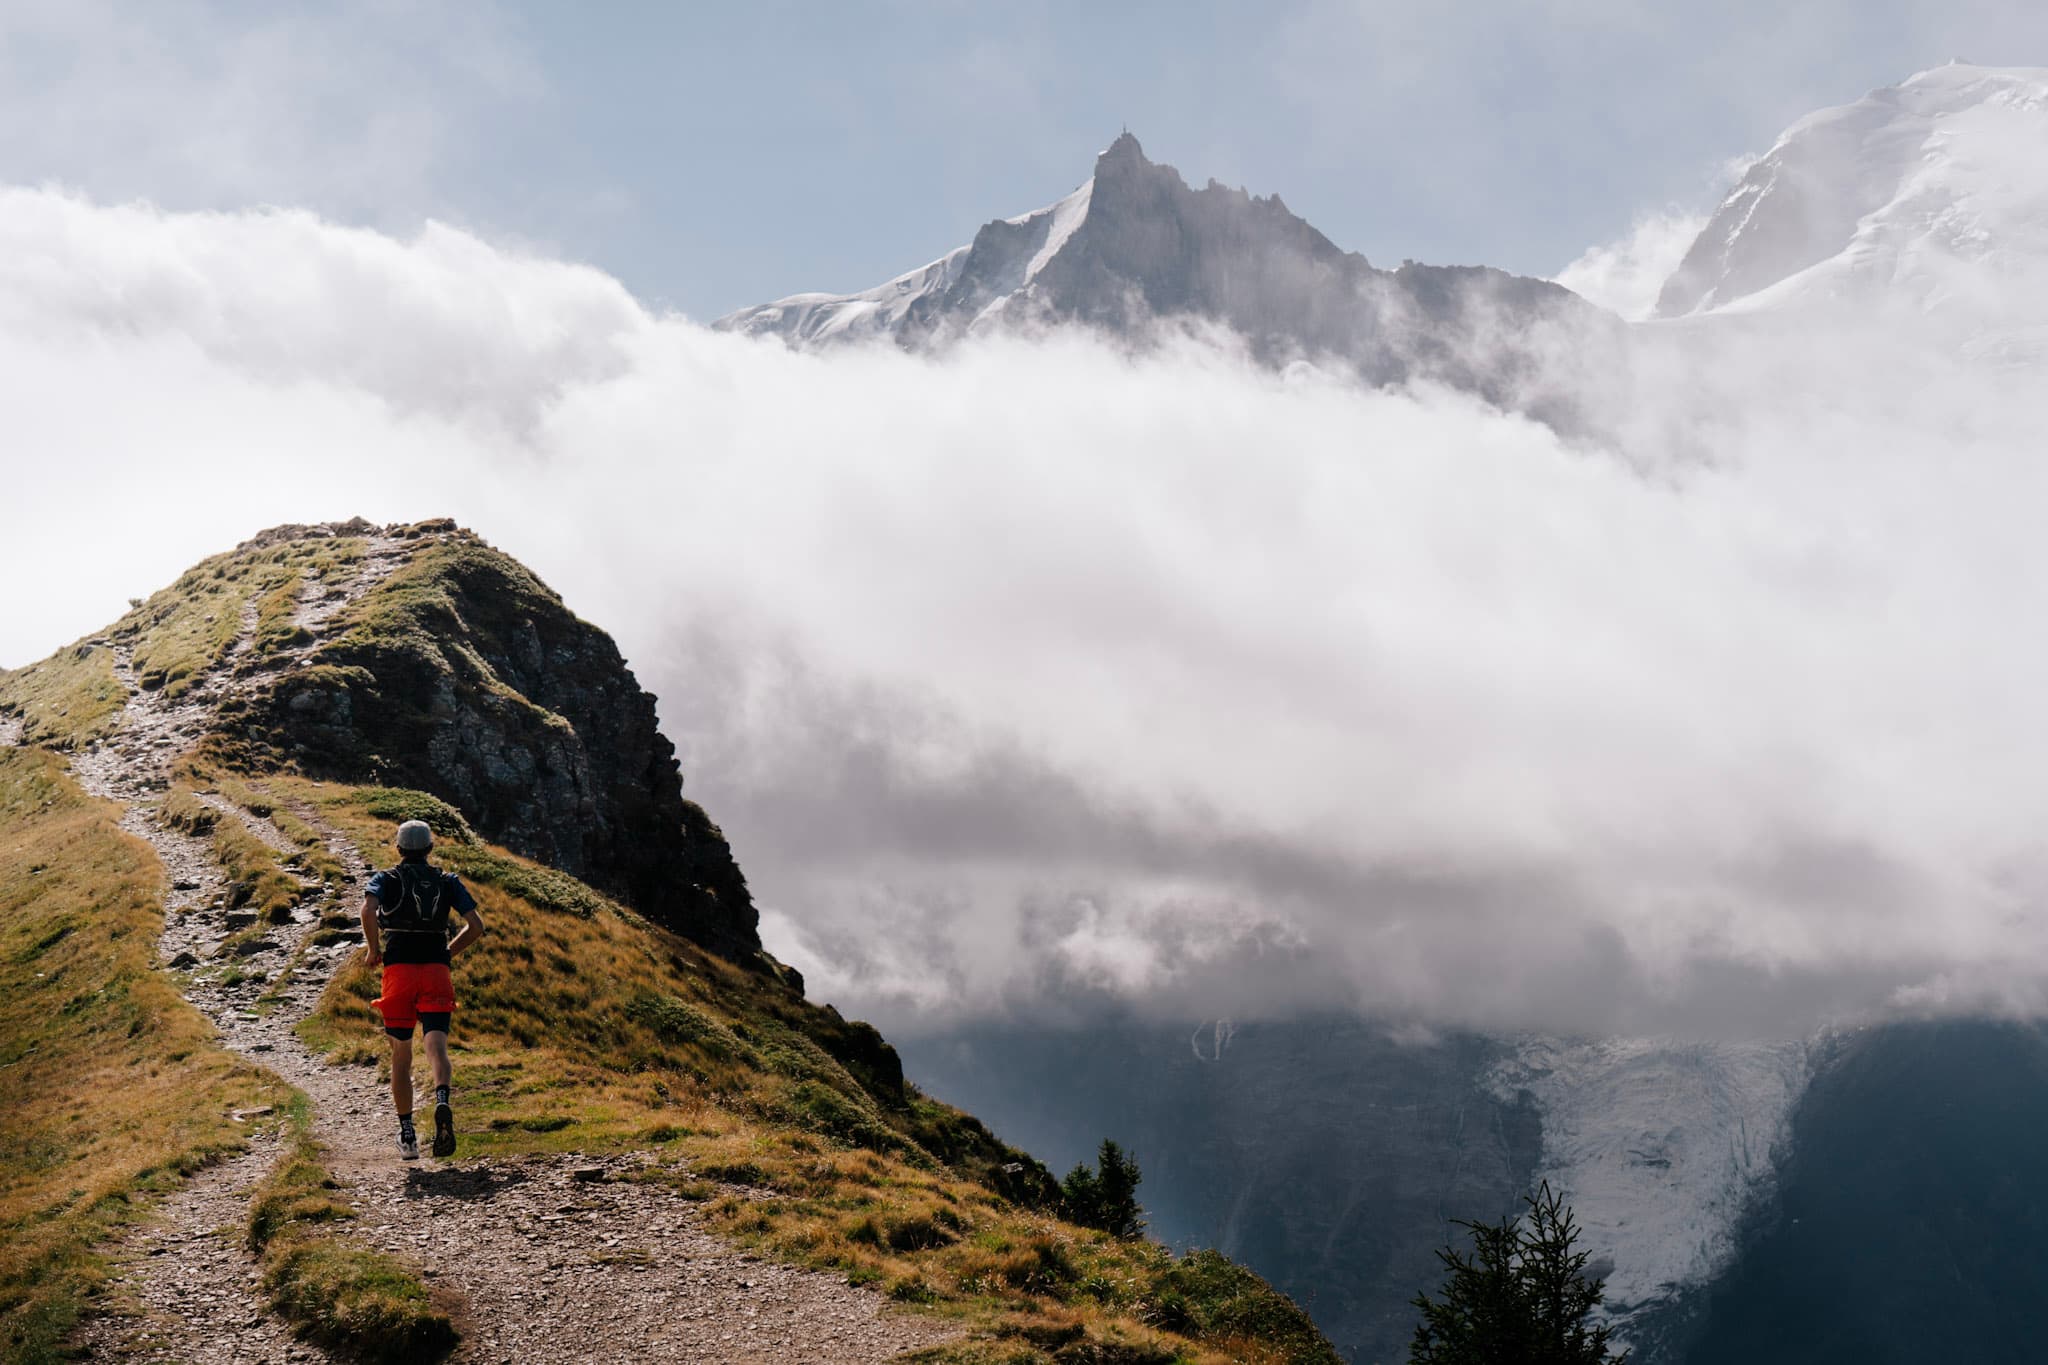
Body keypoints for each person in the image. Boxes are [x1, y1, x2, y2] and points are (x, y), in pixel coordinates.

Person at [360, 819, 486, 1160]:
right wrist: (447, 953)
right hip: (436, 971)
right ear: (430, 848)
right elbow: (476, 926)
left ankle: (408, 1136)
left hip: (398, 971)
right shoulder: (447, 881)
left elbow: (368, 909)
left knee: (401, 1057)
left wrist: (373, 949)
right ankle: (442, 1099)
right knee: (437, 1047)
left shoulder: (386, 878)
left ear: (399, 849)